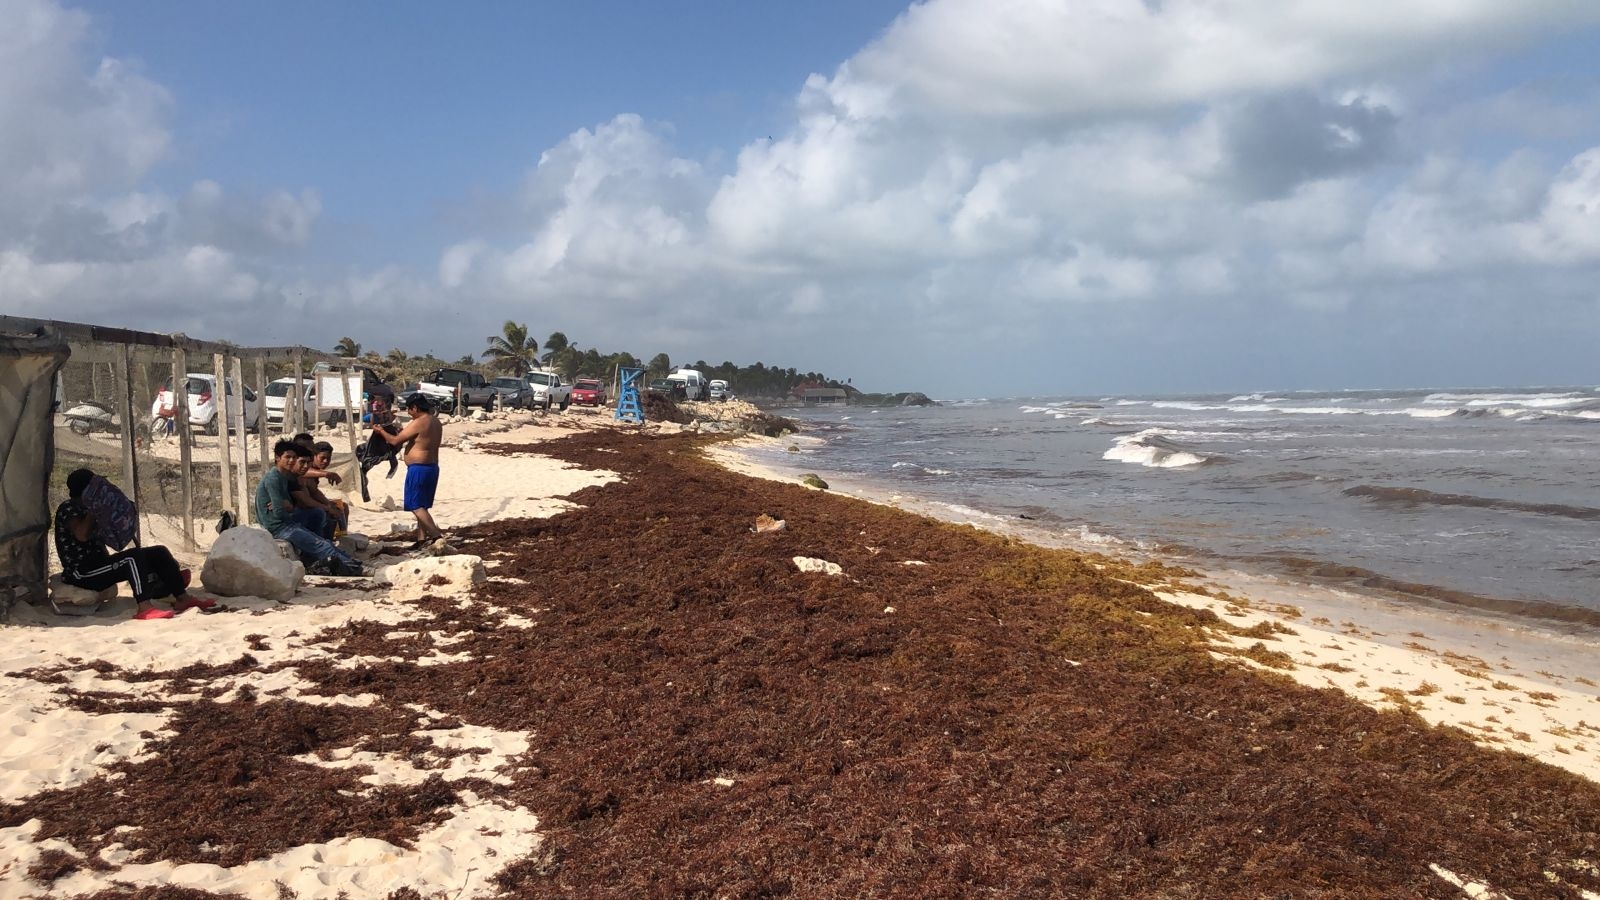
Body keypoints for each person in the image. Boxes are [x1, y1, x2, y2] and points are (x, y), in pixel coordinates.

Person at [54, 469, 214, 620]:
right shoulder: (68, 508)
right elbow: (81, 535)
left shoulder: (93, 508)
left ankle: (182, 598)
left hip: (99, 566)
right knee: (132, 558)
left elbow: (115, 538)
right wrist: (92, 509)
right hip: (81, 572)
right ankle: (144, 608)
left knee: (159, 552)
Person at [256, 440, 364, 576]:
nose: (291, 461)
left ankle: (343, 562)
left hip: (286, 522)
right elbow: (279, 512)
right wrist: (287, 507)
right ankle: (356, 569)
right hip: (278, 527)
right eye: (287, 457)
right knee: (320, 544)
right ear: (277, 458)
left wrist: (288, 505)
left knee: (321, 530)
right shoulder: (274, 479)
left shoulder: (284, 476)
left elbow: (292, 502)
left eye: (293, 458)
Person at [371, 393, 445, 547]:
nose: (409, 413)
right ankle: (421, 538)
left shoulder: (419, 421)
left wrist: (381, 431)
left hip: (419, 468)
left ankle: (437, 536)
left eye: (409, 410)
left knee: (415, 506)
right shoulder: (436, 421)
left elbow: (395, 441)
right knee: (422, 505)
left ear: (415, 408)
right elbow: (417, 438)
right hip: (432, 467)